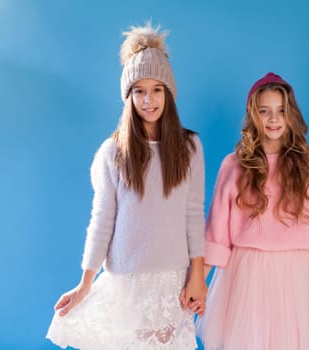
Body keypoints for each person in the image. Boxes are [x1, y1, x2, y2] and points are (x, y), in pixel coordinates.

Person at [46, 22, 206, 349]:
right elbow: (102, 220)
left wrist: (198, 275)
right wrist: (85, 282)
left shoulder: (189, 148)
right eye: (139, 91)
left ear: (169, 93)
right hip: (127, 282)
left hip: (172, 281)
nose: (149, 100)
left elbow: (193, 214)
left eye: (156, 89)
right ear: (128, 96)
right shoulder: (113, 153)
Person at [196, 72, 309, 350]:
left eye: (281, 111)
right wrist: (198, 283)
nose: (273, 119)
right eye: (265, 112)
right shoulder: (234, 165)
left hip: (299, 275)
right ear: (253, 116)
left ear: (291, 115)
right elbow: (216, 234)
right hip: (247, 276)